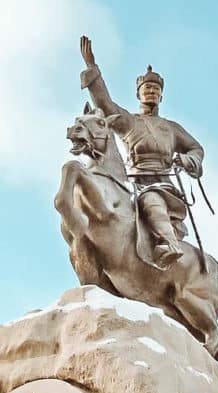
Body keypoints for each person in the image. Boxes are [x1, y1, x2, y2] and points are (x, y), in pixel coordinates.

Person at [80, 37, 205, 268]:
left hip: (161, 184)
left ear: (161, 96)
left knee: (151, 199)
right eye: (147, 88)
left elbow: (196, 148)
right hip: (132, 181)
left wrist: (187, 159)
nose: (151, 92)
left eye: (155, 89)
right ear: (139, 94)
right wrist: (92, 69)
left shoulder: (172, 128)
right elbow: (105, 105)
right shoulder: (129, 122)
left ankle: (170, 245)